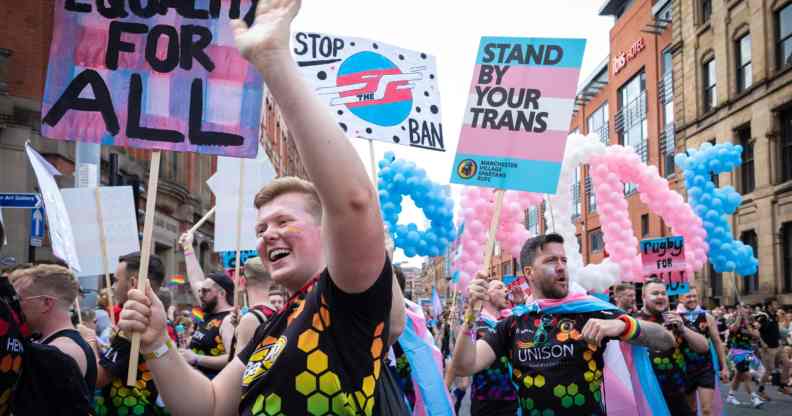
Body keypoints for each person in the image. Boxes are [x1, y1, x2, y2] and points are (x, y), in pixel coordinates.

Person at [117, 1, 406, 414]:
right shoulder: (276, 322)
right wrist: (158, 344)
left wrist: (272, 60)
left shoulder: (346, 302)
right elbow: (211, 405)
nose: (268, 234)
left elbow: (354, 202)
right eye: (261, 229)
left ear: (327, 232)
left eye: (284, 220)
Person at [452, 233, 675, 416]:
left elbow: (666, 340)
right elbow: (464, 366)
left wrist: (622, 326)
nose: (561, 267)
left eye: (563, 260)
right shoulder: (512, 323)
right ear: (529, 272)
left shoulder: (590, 311)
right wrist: (472, 311)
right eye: (551, 261)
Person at [95, 252, 170, 416]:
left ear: (133, 283)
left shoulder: (137, 323)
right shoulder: (152, 317)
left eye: (116, 280)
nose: (112, 287)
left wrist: (88, 341)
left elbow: (98, 377)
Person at [9, 264, 97, 395]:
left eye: (19, 299)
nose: (13, 307)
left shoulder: (62, 351)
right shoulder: (61, 344)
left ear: (46, 303)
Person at [635, 279, 708, 415]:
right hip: (647, 395)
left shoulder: (675, 319)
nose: (661, 296)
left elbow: (703, 347)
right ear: (643, 297)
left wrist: (683, 329)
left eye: (663, 293)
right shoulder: (634, 321)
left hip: (678, 393)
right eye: (655, 293)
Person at [676, 286, 729, 416]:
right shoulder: (675, 317)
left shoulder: (706, 316)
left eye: (694, 296)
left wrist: (724, 366)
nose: (692, 299)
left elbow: (717, 342)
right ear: (680, 298)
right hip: (684, 368)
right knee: (691, 410)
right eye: (688, 296)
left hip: (705, 368)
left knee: (706, 409)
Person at [467, 280, 517, 416]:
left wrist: (521, 305)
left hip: (513, 401)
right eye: (499, 287)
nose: (506, 290)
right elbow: (464, 361)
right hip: (487, 402)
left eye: (505, 287)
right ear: (486, 296)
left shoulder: (509, 322)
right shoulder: (475, 323)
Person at [180, 272, 235, 378]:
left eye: (205, 291)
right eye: (200, 291)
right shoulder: (208, 315)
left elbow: (232, 359)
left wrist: (196, 358)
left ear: (221, 293)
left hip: (214, 386)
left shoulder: (229, 320)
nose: (200, 295)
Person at [224, 257, 278, 353]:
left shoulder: (250, 319)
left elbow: (238, 365)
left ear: (243, 281)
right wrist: (238, 327)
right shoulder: (277, 312)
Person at [726, 303, 765, 408]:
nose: (747, 311)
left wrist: (748, 324)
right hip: (736, 352)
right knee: (746, 373)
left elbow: (756, 335)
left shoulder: (751, 323)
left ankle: (730, 396)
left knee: (740, 374)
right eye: (744, 309)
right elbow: (733, 329)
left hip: (749, 352)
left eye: (748, 309)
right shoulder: (732, 319)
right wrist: (739, 317)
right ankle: (754, 398)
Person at [756, 298, 792, 397]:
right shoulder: (763, 316)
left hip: (778, 346)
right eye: (775, 304)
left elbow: (775, 330)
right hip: (768, 348)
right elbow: (755, 330)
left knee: (787, 364)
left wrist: (780, 340)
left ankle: (783, 385)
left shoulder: (775, 315)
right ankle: (760, 389)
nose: (777, 305)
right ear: (769, 305)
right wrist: (762, 343)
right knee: (769, 370)